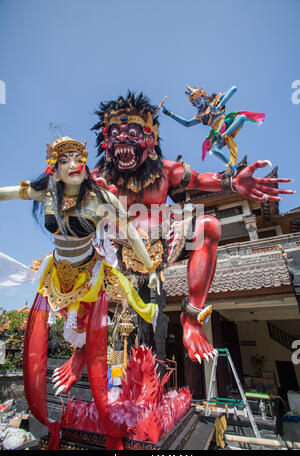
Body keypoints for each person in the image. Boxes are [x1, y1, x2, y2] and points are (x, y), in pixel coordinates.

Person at [91, 91, 295, 365]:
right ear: (106, 141)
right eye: (115, 132)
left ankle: (191, 315)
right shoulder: (99, 175)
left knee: (208, 225)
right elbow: (65, 195)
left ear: (149, 139)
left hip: (162, 244)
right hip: (118, 251)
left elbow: (200, 178)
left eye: (133, 131)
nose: (123, 138)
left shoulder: (165, 170)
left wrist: (233, 183)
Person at [0, 136, 161, 446]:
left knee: (85, 324)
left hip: (88, 275)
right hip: (56, 275)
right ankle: (74, 359)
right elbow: (10, 192)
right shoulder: (47, 192)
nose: (73, 165)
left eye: (77, 158)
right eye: (64, 161)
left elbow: (131, 235)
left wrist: (151, 271)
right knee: (61, 322)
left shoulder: (102, 200)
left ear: (85, 165)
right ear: (55, 171)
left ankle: (83, 360)